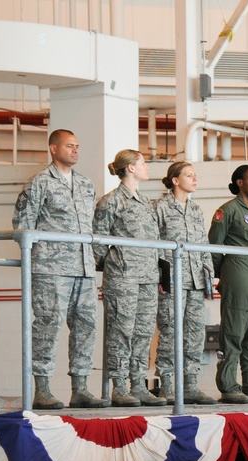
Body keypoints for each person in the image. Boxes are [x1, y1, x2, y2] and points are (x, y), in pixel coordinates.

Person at [12, 128, 107, 410]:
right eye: (69, 146)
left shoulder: (86, 185)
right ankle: (42, 389)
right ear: (53, 149)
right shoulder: (39, 183)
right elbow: (22, 226)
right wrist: (39, 260)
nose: (75, 150)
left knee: (86, 327)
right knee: (48, 326)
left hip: (84, 268)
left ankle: (80, 388)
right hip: (51, 269)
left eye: (77, 146)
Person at [93, 149, 165, 408]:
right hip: (122, 277)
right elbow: (98, 242)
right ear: (131, 168)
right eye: (143, 163)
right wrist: (114, 265)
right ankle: (120, 386)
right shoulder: (111, 201)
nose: (147, 167)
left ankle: (138, 384)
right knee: (121, 331)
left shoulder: (146, 203)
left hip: (147, 276)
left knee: (144, 332)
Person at [152, 161, 216, 405]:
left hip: (196, 280)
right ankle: (167, 385)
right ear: (175, 180)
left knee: (195, 334)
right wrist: (159, 275)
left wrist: (208, 276)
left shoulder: (197, 210)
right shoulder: (159, 207)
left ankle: (190, 384)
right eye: (189, 175)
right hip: (172, 280)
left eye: (195, 174)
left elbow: (203, 245)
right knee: (170, 332)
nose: (194, 178)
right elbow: (154, 243)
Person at [209, 164, 248, 405]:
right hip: (237, 272)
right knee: (234, 331)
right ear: (239, 183)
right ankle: (228, 386)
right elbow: (214, 247)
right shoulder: (227, 211)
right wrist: (219, 277)